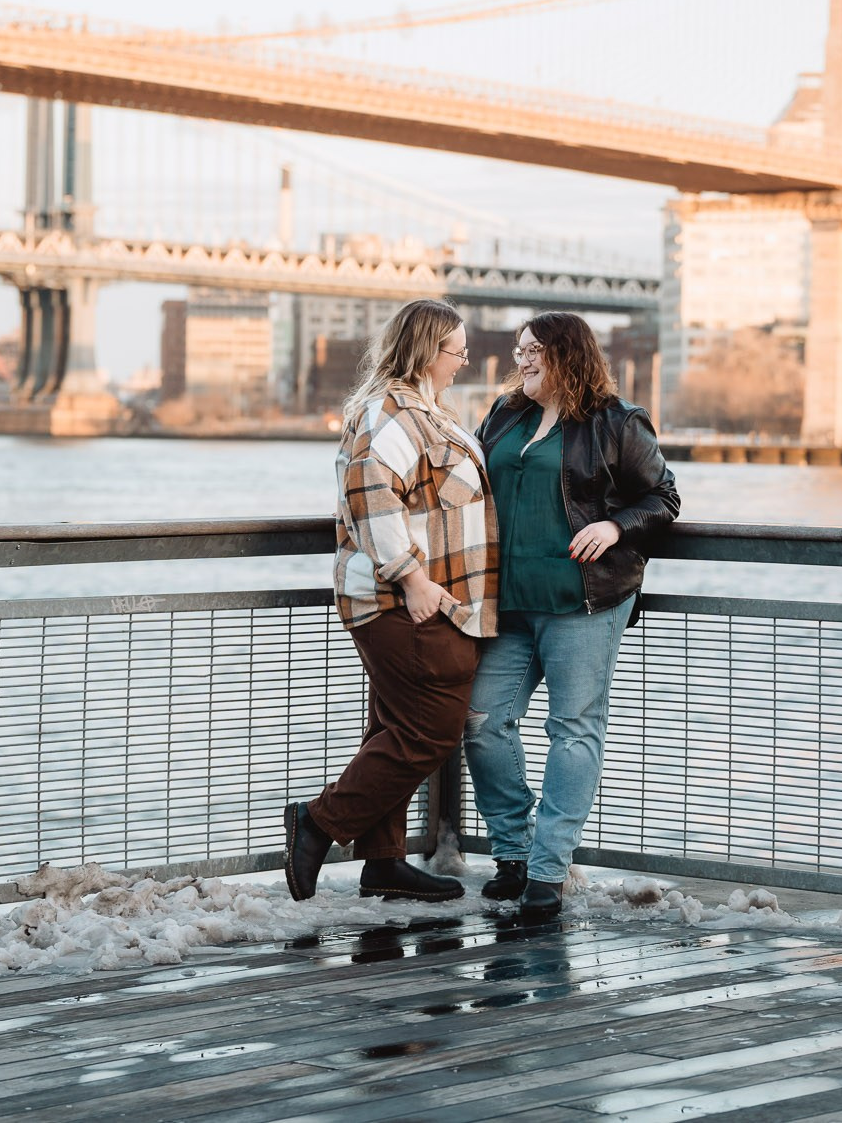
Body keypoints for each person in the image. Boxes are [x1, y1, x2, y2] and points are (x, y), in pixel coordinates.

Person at [464, 311, 680, 916]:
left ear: (566, 354)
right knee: (481, 721)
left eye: (532, 350)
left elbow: (663, 497)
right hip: (508, 602)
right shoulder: (506, 415)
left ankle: (547, 871)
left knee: (573, 730)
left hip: (585, 601)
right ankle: (514, 850)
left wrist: (616, 524)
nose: (520, 360)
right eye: (517, 350)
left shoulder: (618, 422)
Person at [285, 299, 497, 903]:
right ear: (427, 352)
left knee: (393, 727)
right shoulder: (392, 416)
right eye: (456, 350)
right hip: (406, 600)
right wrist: (410, 578)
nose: (463, 360)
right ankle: (319, 822)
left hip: (432, 599)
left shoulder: (428, 413)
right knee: (432, 731)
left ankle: (384, 862)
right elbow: (370, 493)